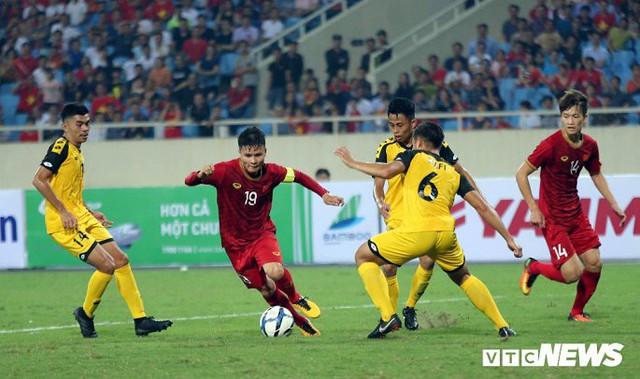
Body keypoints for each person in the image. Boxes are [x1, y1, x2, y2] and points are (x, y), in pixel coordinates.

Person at [335, 121, 522, 339]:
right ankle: (502, 325)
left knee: (363, 256)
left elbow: (386, 171)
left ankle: (387, 317)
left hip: (418, 233)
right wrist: (509, 238)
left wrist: (352, 163)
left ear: (419, 142)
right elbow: (482, 207)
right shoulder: (454, 173)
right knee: (464, 277)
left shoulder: (414, 156)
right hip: (445, 235)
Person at [184, 126, 344, 336]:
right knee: (266, 289)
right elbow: (189, 182)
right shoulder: (223, 171)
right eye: (247, 155)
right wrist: (199, 174)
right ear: (240, 153)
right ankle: (299, 321)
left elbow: (299, 176)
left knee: (274, 271)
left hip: (261, 234)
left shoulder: (273, 173)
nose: (253, 160)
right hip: (234, 245)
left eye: (257, 154)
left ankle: (296, 297)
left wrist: (323, 194)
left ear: (265, 152)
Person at [32, 103, 172, 338]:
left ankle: (140, 320)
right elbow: (38, 180)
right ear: (65, 126)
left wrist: (87, 211)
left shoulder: (77, 151)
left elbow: (70, 192)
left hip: (81, 216)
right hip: (64, 223)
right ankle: (85, 314)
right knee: (106, 265)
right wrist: (64, 212)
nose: (85, 128)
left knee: (121, 259)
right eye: (79, 124)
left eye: (87, 123)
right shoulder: (60, 147)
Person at [516, 89, 627, 322]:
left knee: (595, 263)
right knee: (572, 273)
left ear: (585, 118)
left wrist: (614, 204)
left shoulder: (590, 146)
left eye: (575, 116)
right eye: (566, 116)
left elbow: (596, 174)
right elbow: (521, 174)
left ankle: (576, 312)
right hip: (552, 218)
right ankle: (534, 267)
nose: (570, 121)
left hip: (575, 215)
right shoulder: (550, 145)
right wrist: (533, 208)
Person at [373, 98, 484, 331]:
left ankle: (410, 306)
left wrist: (479, 198)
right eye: (391, 125)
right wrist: (380, 202)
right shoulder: (385, 148)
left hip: (425, 215)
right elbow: (378, 183)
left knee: (427, 260)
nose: (395, 131)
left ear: (412, 123)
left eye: (400, 125)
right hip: (398, 215)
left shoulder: (435, 145)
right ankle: (389, 317)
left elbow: (460, 172)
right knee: (389, 267)